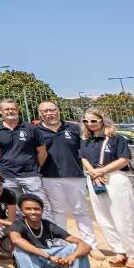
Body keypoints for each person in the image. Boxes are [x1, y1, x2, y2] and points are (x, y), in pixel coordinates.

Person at [9, 192, 97, 268]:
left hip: (50, 267)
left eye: (36, 209)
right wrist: (49, 257)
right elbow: (16, 240)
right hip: (31, 267)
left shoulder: (48, 225)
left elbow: (85, 245)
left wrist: (72, 257)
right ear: (21, 210)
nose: (33, 212)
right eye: (28, 209)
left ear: (42, 210)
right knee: (20, 249)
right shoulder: (18, 224)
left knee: (75, 248)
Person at [33, 100, 98, 255]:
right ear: (40, 114)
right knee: (58, 212)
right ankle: (60, 244)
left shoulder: (74, 128)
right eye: (45, 111)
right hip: (49, 177)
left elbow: (85, 150)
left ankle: (90, 245)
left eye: (52, 109)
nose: (50, 113)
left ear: (58, 110)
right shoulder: (36, 131)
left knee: (81, 211)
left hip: (75, 176)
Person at [82, 110, 134, 268]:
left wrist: (102, 170)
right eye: (86, 121)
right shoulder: (86, 140)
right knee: (103, 217)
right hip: (94, 178)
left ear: (102, 120)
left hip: (114, 177)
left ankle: (133, 254)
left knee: (124, 216)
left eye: (93, 121)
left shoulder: (116, 138)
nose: (89, 124)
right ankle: (118, 250)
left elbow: (124, 159)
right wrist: (92, 171)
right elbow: (83, 157)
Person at [0, 99, 43, 202]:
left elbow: (42, 152)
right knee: (14, 205)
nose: (10, 111)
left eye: (13, 109)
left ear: (17, 110)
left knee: (38, 204)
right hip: (8, 176)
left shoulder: (31, 128)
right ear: (0, 111)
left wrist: (36, 168)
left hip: (31, 175)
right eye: (7, 109)